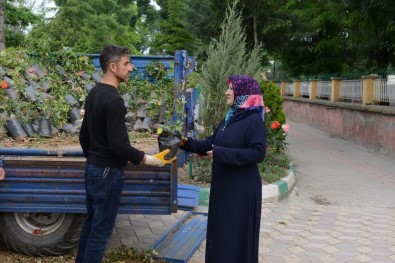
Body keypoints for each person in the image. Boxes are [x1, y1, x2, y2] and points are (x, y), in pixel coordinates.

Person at [76, 45, 173, 263]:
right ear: (112, 66)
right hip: (108, 173)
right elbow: (119, 146)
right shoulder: (114, 100)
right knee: (101, 232)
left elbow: (84, 137)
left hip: (93, 170)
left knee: (91, 224)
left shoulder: (94, 93)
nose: (131, 68)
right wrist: (151, 160)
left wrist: (94, 158)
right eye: (126, 63)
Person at [180, 75, 267, 263]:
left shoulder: (254, 121)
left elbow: (258, 154)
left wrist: (222, 154)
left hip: (242, 190)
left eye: (231, 89)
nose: (226, 92)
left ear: (243, 94)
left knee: (235, 235)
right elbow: (209, 144)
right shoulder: (229, 119)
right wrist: (184, 143)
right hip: (224, 187)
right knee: (221, 232)